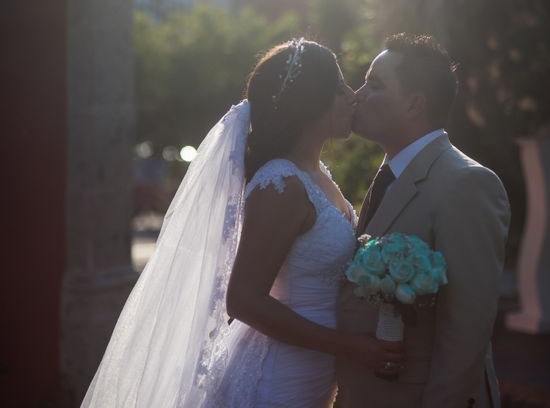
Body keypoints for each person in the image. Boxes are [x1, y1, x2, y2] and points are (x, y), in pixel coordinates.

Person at [81, 39, 403, 407]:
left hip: (316, 374)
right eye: (340, 88)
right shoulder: (280, 185)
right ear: (310, 102)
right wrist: (347, 346)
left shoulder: (317, 175)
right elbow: (244, 302)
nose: (353, 97)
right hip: (279, 378)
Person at [335, 33, 511, 408]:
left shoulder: (466, 183)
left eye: (375, 84)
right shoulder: (392, 172)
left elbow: (467, 330)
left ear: (415, 103)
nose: (358, 94)